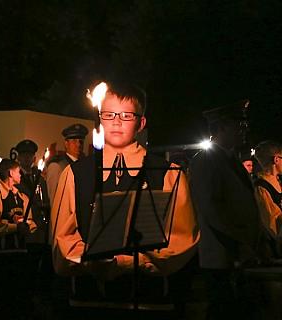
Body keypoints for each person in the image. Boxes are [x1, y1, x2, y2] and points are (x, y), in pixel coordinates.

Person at [52, 82, 198, 304]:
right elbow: (63, 238)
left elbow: (182, 238)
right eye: (109, 114)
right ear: (100, 118)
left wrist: (129, 262)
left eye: (126, 115)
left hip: (150, 292)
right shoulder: (75, 174)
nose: (117, 121)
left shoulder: (169, 174)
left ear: (141, 123)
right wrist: (94, 261)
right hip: (90, 295)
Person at [189, 99, 263, 319]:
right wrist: (239, 241)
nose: (244, 130)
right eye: (238, 125)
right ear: (221, 127)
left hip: (236, 254)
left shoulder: (229, 159)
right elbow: (211, 210)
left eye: (244, 125)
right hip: (221, 256)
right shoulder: (206, 160)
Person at [0, 158, 37, 318]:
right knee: (1, 299)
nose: (21, 174)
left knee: (17, 298)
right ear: (10, 173)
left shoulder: (21, 196)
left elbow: (31, 222)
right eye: (18, 171)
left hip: (19, 253)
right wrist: (15, 227)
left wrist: (28, 227)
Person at [46, 123, 88, 234]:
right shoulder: (57, 166)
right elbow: (54, 200)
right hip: (64, 223)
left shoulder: (84, 165)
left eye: (81, 141)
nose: (78, 144)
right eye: (74, 141)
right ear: (66, 143)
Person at [253, 140, 282, 255]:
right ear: (276, 159)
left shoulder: (277, 182)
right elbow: (272, 222)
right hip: (275, 249)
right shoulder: (261, 187)